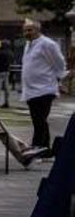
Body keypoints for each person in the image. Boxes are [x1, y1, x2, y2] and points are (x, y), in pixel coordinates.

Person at [22, 19, 69, 156]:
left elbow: (59, 62)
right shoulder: (28, 44)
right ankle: (46, 150)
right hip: (31, 90)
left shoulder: (47, 44)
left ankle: (36, 147)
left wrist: (59, 78)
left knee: (39, 119)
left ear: (38, 30)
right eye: (25, 30)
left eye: (30, 30)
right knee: (39, 119)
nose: (27, 33)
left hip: (44, 88)